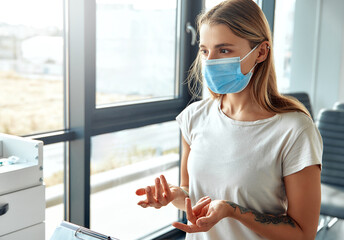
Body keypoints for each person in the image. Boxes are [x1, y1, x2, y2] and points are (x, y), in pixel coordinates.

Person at [135, 0, 323, 239]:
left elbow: (303, 233)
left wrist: (232, 211)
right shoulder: (193, 118)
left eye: (224, 50)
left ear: (261, 52)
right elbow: (193, 197)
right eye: (205, 51)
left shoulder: (295, 131)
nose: (210, 61)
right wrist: (174, 196)